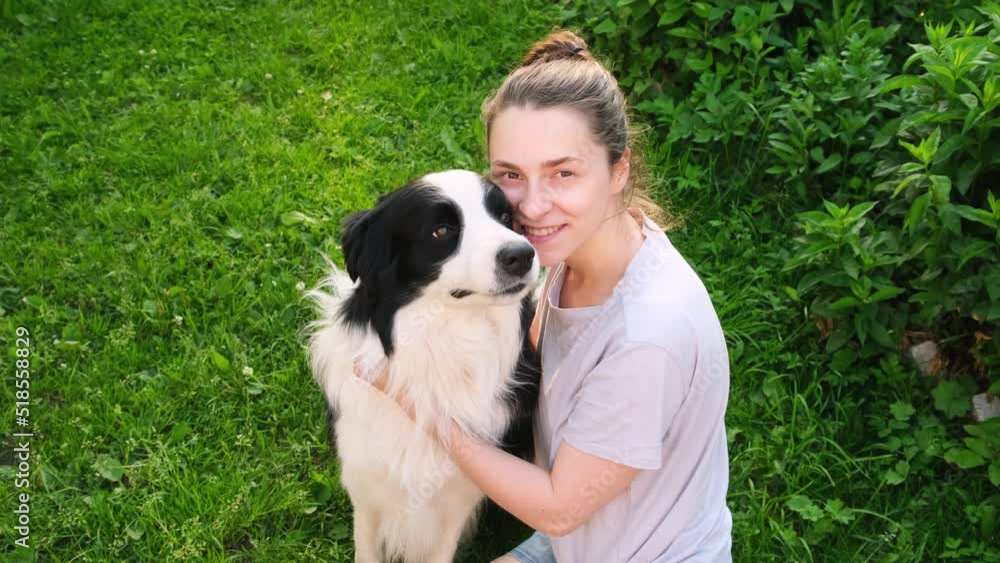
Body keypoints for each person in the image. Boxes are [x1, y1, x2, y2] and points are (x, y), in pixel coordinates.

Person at [358, 29, 732, 562]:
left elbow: (558, 508)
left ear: (619, 169)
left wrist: (418, 405)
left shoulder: (648, 336)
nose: (532, 207)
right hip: (572, 544)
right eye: (511, 174)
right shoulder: (586, 247)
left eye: (563, 173)